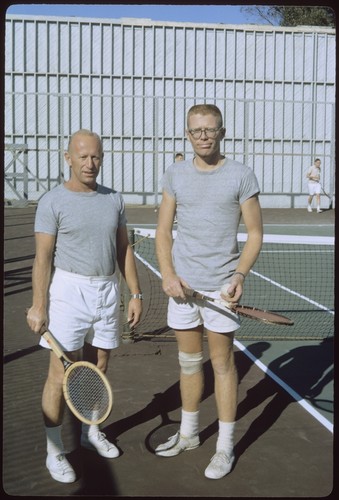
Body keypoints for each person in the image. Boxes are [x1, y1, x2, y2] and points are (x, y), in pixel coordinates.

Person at [26, 129, 142, 483]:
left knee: (100, 364)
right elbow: (43, 258)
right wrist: (38, 305)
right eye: (83, 157)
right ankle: (54, 449)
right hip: (68, 292)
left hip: (107, 291)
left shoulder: (114, 199)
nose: (90, 164)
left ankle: (92, 432)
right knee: (59, 374)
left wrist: (134, 293)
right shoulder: (52, 201)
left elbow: (124, 249)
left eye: (96, 157)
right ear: (68, 158)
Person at [155, 104, 263, 480]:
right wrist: (169, 275)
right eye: (196, 130)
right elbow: (164, 232)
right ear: (187, 133)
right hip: (182, 288)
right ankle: (189, 435)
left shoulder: (241, 175)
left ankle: (225, 446)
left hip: (220, 290)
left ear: (222, 132)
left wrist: (239, 276)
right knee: (188, 365)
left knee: (222, 365)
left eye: (210, 129)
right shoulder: (175, 174)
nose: (203, 136)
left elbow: (255, 233)